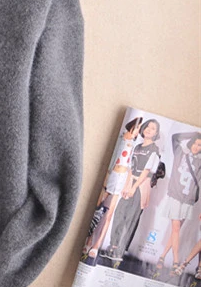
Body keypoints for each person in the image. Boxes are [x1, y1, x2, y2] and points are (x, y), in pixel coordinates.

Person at [103, 119, 161, 263]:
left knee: (130, 218)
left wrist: (134, 188)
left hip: (141, 186)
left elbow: (147, 171)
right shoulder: (137, 147)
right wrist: (127, 185)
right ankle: (113, 245)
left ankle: (120, 251)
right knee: (120, 213)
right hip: (130, 183)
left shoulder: (154, 150)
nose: (149, 129)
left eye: (153, 128)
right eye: (147, 126)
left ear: (156, 133)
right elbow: (130, 167)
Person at [86, 117, 143, 260]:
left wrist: (128, 184)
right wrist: (106, 179)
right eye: (138, 127)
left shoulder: (133, 144)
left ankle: (96, 245)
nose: (138, 131)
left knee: (109, 215)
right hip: (111, 175)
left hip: (121, 179)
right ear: (132, 126)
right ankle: (88, 241)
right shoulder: (120, 139)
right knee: (97, 209)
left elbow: (130, 167)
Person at [153, 132, 201, 278]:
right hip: (175, 196)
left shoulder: (200, 162)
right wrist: (194, 134)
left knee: (176, 230)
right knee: (175, 228)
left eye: (200, 145)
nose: (196, 147)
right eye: (195, 143)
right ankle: (176, 261)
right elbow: (175, 137)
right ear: (191, 142)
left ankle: (162, 256)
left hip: (188, 200)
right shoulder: (180, 152)